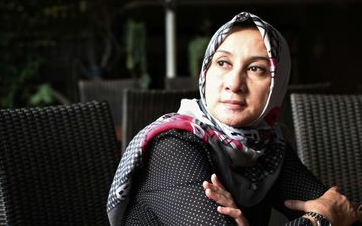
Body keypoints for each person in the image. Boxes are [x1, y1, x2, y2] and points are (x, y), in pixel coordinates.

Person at [107, 12, 362, 226]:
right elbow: (329, 213)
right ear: (205, 72)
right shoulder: (172, 147)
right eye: (223, 63)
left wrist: (329, 213)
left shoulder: (267, 149)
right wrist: (318, 220)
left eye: (256, 68)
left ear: (277, 85)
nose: (234, 83)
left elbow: (342, 210)